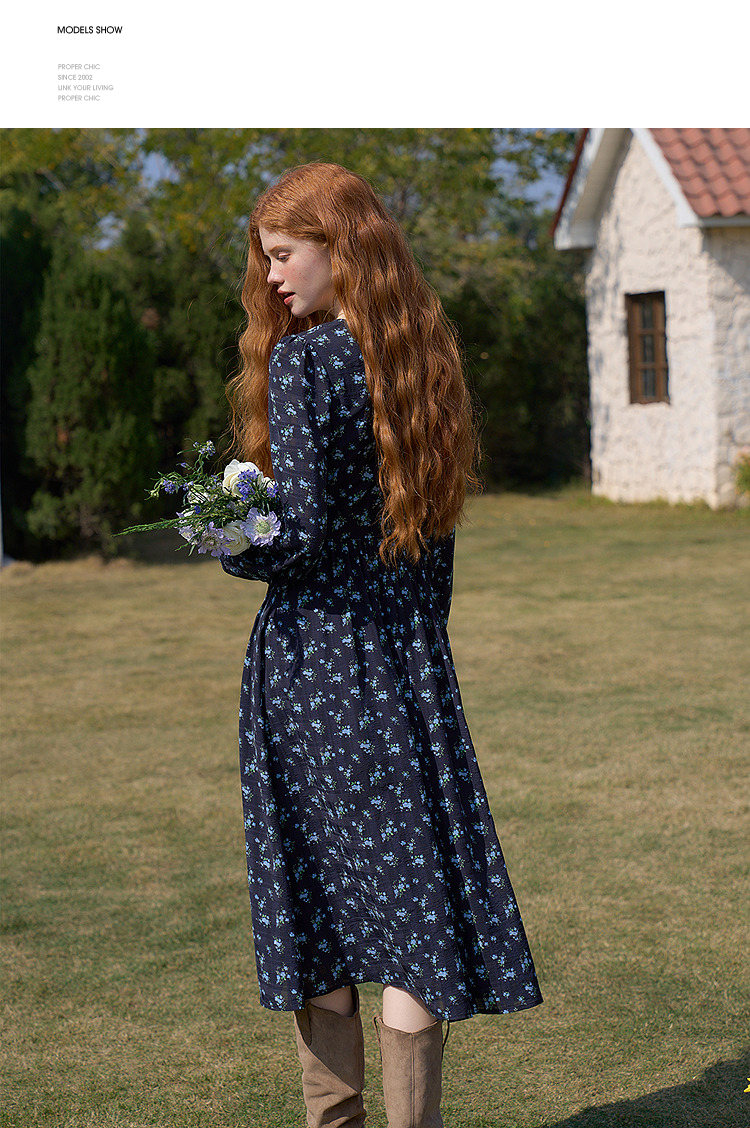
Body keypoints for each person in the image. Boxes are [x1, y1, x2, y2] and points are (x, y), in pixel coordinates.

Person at [221, 162, 542, 1127]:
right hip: (407, 663)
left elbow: (300, 539)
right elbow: (433, 549)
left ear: (341, 246)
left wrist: (233, 536)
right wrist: (415, 650)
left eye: (286, 254)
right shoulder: (420, 360)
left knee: (318, 900)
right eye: (267, 259)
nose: (273, 276)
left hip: (315, 667)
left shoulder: (306, 362)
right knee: (412, 911)